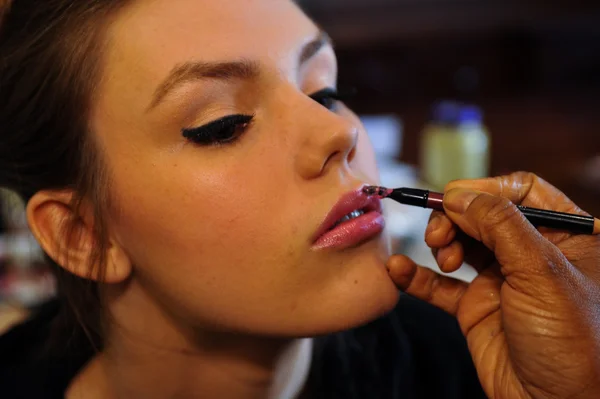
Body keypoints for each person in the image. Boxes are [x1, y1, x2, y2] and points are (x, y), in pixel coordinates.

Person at [0, 1, 598, 398]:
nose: (340, 132)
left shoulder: (483, 369)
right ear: (83, 234)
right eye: (224, 123)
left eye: (325, 89)